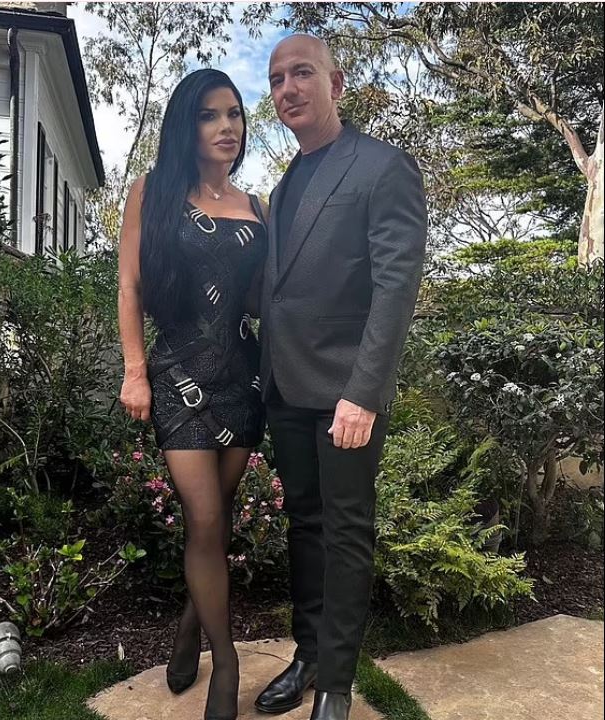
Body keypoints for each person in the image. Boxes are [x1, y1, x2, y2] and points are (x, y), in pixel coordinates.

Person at [254, 35, 427, 720]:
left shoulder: (382, 167)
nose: (287, 89)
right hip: (286, 387)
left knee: (346, 531)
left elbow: (395, 287)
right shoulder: (285, 184)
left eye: (302, 73)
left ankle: (335, 684)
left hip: (346, 395)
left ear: (337, 83)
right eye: (276, 79)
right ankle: (307, 655)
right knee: (304, 525)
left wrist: (363, 393)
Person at [118, 69, 268, 720]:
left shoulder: (257, 206)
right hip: (179, 376)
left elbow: (261, 300)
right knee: (205, 520)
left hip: (242, 379)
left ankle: (188, 630)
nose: (227, 126)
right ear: (188, 125)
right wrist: (135, 370)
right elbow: (129, 286)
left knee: (218, 518)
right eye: (210, 115)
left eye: (234, 113)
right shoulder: (151, 193)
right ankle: (226, 665)